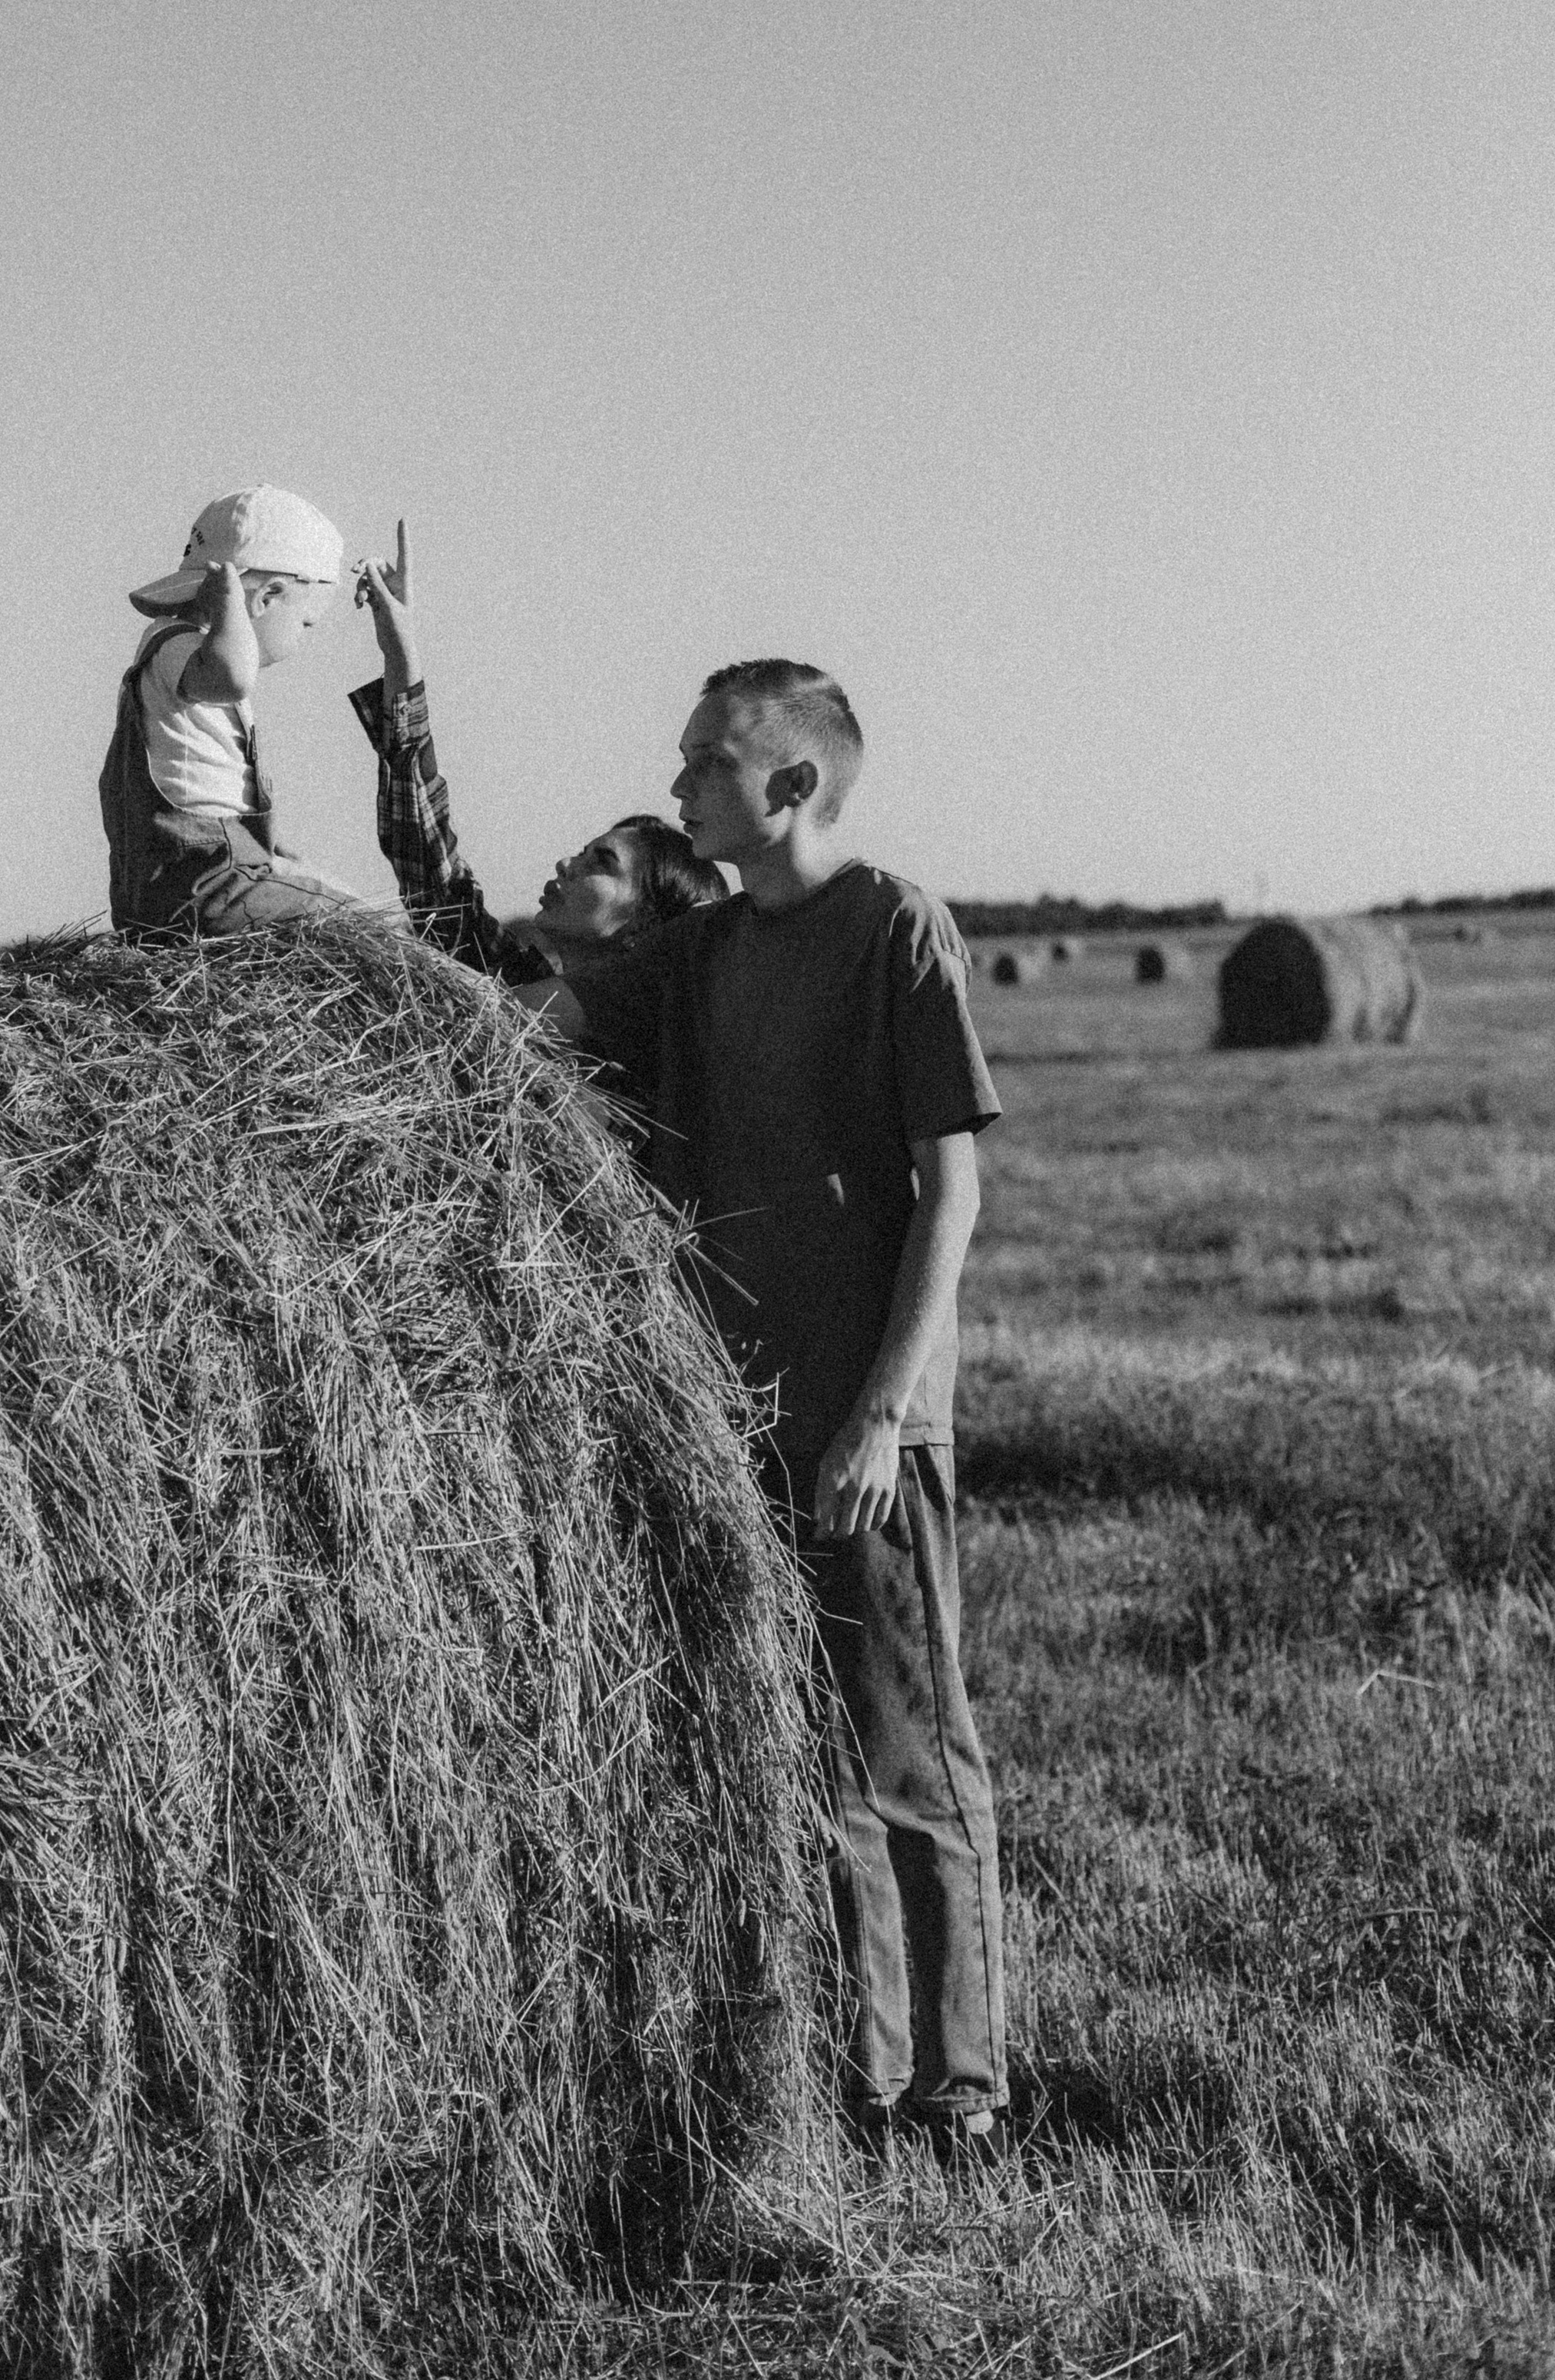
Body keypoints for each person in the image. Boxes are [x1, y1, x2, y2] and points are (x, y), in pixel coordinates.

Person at [518, 659, 1007, 2163]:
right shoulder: (704, 950)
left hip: (865, 1420)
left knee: (911, 1762)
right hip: (736, 1416)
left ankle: (962, 2097)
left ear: (788, 785)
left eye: (700, 763)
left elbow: (950, 1194)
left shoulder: (891, 930)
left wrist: (879, 1414)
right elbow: (525, 1005)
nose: (673, 788)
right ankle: (861, 2093)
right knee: (809, 1770)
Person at [349, 521, 723, 981]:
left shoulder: (650, 1049)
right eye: (585, 852)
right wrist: (400, 658)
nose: (566, 863)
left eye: (602, 864)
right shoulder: (516, 985)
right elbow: (431, 871)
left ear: (644, 927)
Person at [101, 483, 358, 938]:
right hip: (202, 884)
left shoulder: (188, 664)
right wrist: (231, 608)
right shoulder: (178, 647)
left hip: (203, 874)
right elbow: (234, 676)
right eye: (306, 623)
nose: (304, 639)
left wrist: (265, 849)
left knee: (334, 891)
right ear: (265, 599)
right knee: (365, 919)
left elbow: (204, 785)